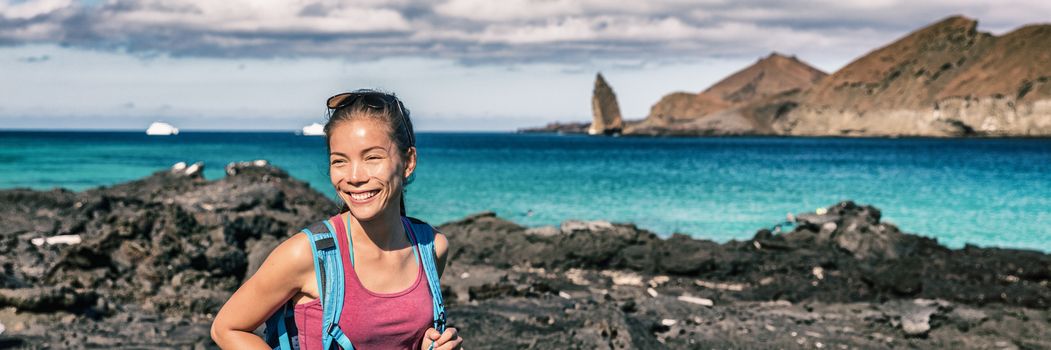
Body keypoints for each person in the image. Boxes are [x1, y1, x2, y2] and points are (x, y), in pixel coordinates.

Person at [211, 90, 464, 350]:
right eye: (340, 161)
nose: (354, 176)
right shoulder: (307, 255)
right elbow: (227, 328)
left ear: (408, 161)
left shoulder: (431, 247)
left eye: (372, 157)